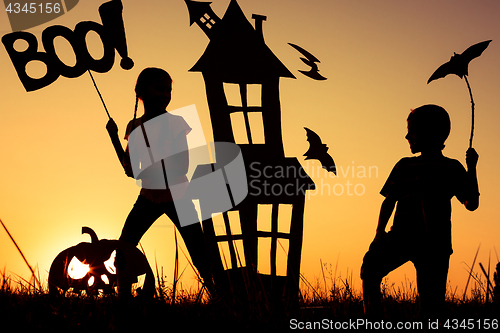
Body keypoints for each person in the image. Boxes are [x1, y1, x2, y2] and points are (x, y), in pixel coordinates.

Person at [360, 104, 479, 319]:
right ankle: (373, 321)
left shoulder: (452, 168)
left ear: (429, 132)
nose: (407, 136)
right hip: (403, 237)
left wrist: (472, 168)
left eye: (412, 130)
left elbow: (471, 203)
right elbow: (389, 201)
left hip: (434, 245)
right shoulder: (404, 166)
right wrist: (379, 233)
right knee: (370, 268)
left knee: (431, 306)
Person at [106, 67, 212, 294]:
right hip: (148, 197)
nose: (165, 94)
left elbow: (181, 165)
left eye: (168, 90)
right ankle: (123, 297)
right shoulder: (133, 126)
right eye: (159, 89)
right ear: (141, 91)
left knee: (200, 254)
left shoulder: (176, 123)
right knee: (124, 248)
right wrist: (114, 138)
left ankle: (222, 296)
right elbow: (130, 169)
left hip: (178, 197)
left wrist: (148, 172)